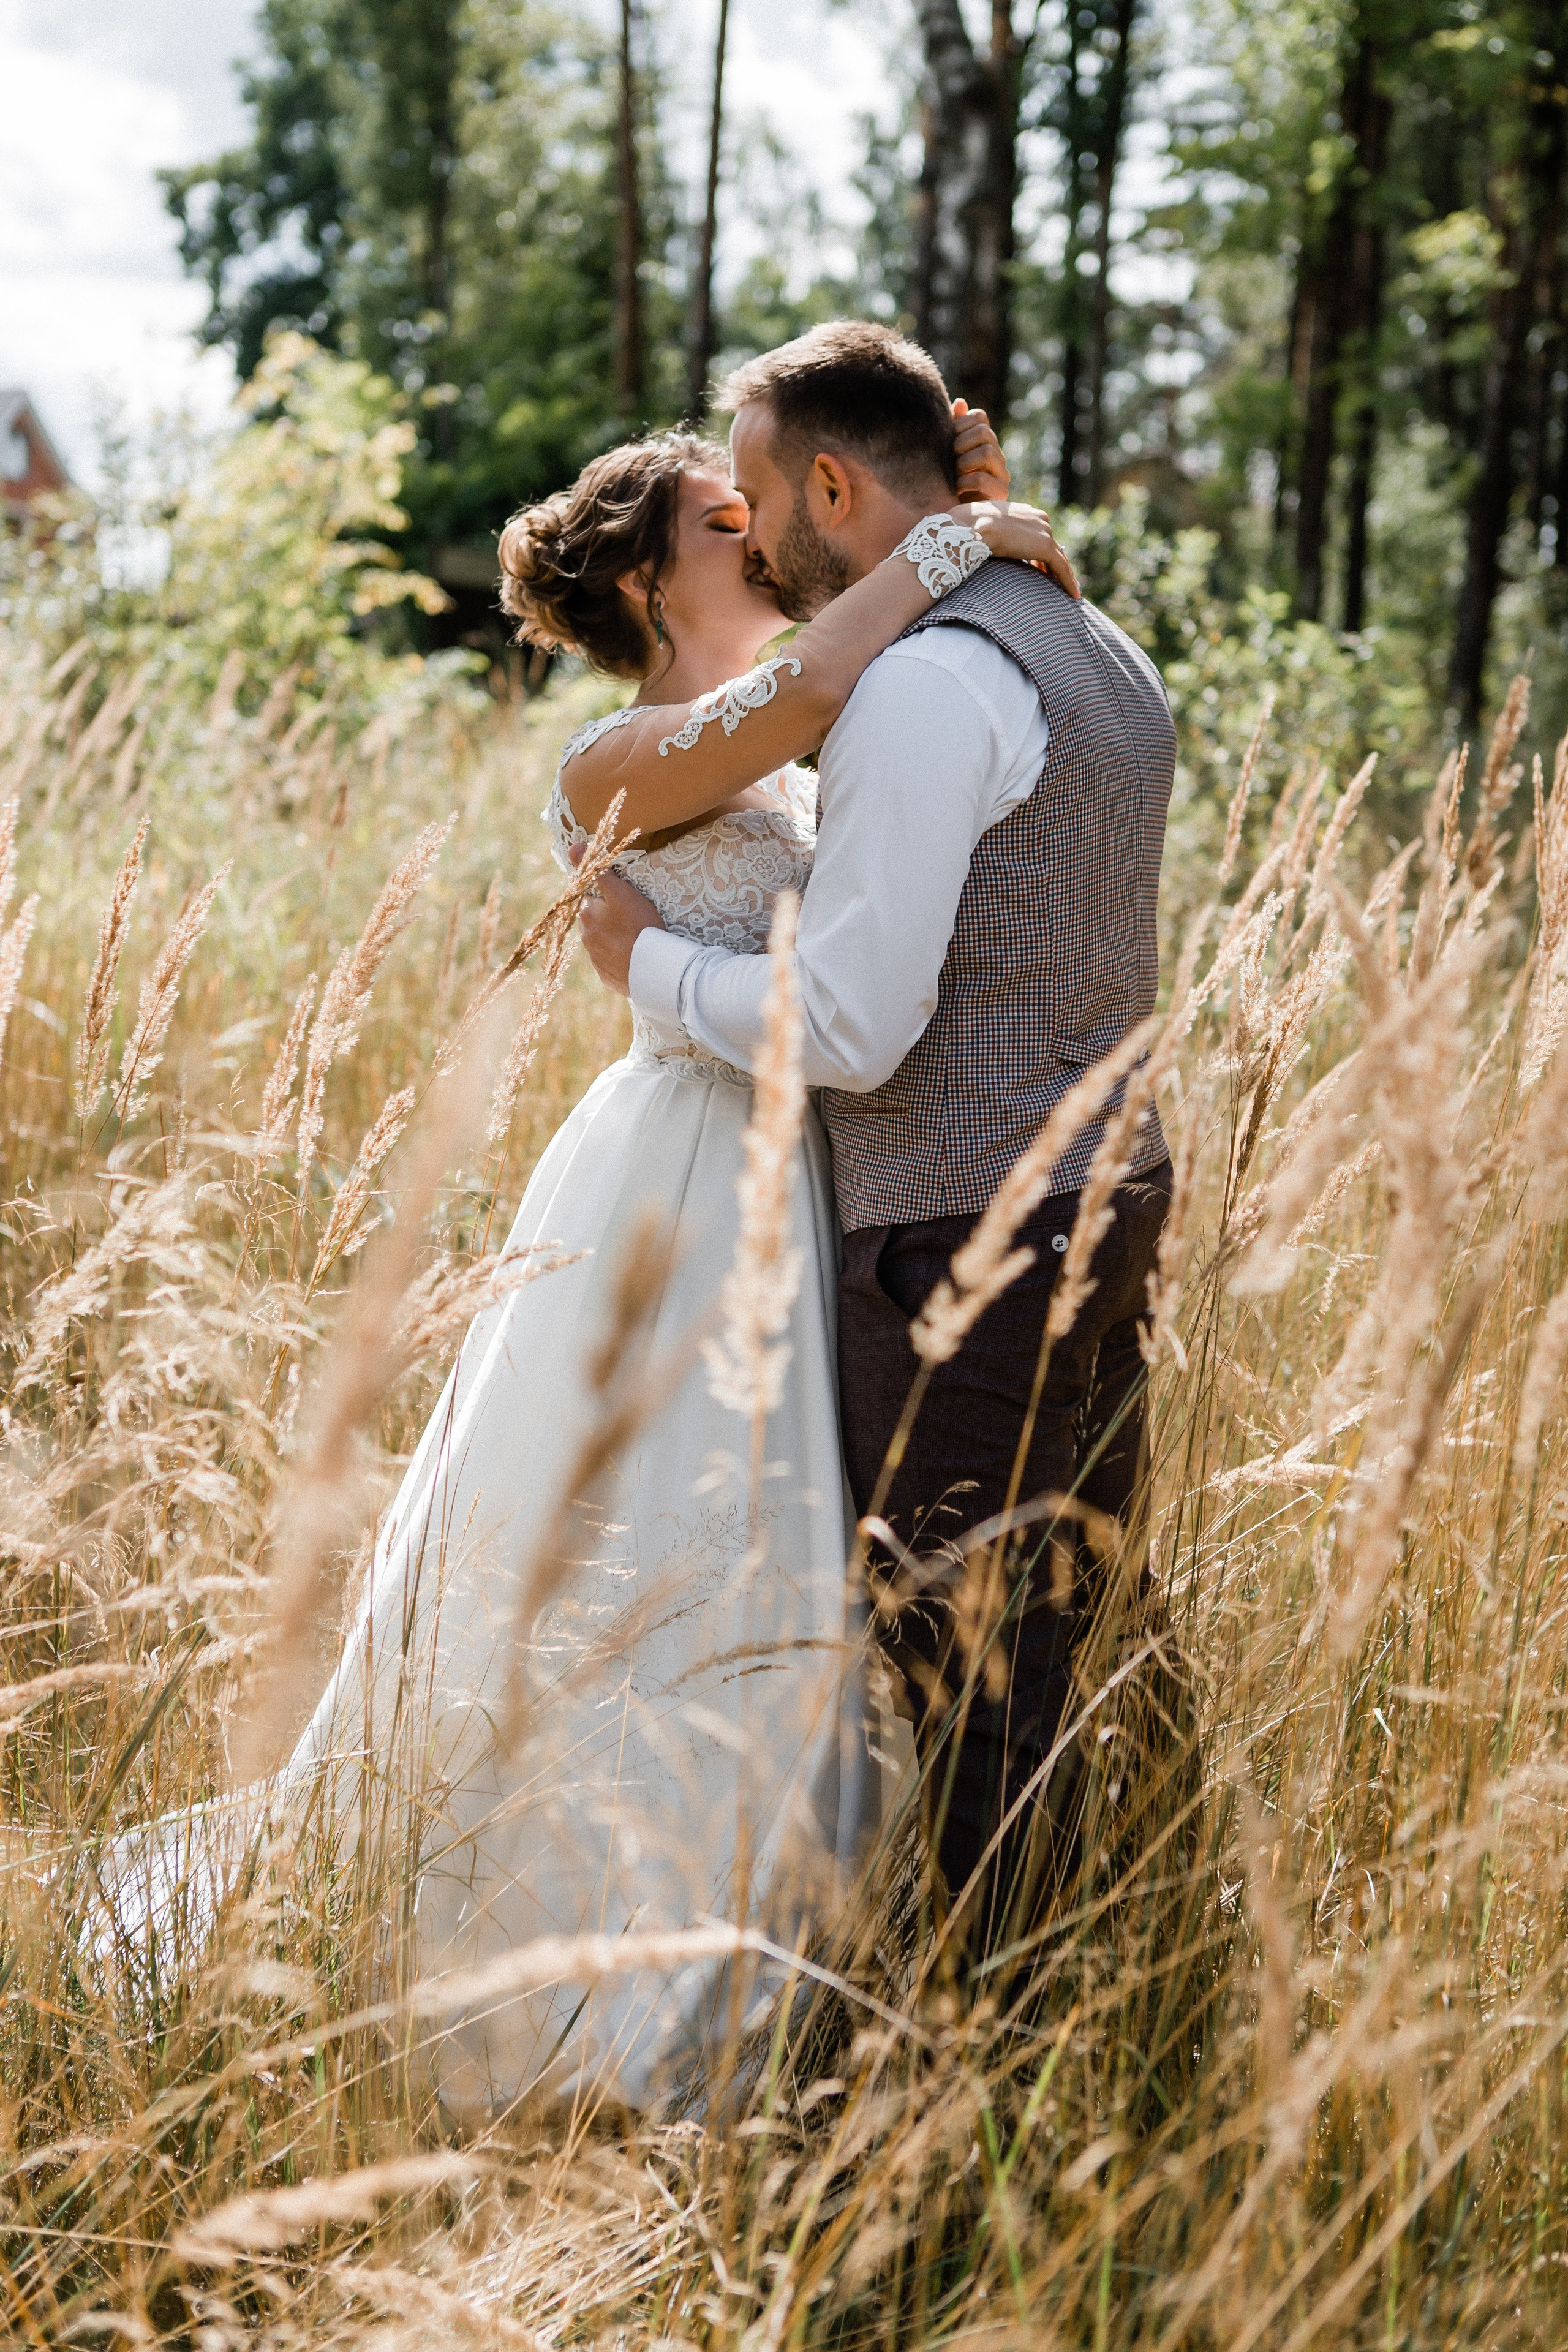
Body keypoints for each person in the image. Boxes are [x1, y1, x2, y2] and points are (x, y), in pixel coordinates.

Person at [270, 412, 1072, 2119]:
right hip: (677, 1181)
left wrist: (963, 516)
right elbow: (801, 692)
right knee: (631, 1558)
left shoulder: (800, 750)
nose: (769, 534)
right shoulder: (619, 757)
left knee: (773, 1569)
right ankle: (562, 1982)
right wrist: (957, 547)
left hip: (810, 1178)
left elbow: (870, 723)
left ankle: (755, 1953)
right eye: (731, 518)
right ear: (649, 577)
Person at [578, 320, 1177, 1971]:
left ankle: (1008, 2083)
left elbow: (848, 1026)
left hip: (960, 1241)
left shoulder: (923, 680)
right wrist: (970, 531)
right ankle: (1128, 1990)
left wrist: (651, 967)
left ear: (831, 484)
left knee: (975, 1687)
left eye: (759, 498)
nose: (755, 535)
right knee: (1082, 1633)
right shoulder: (1090, 641)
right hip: (1099, 1194)